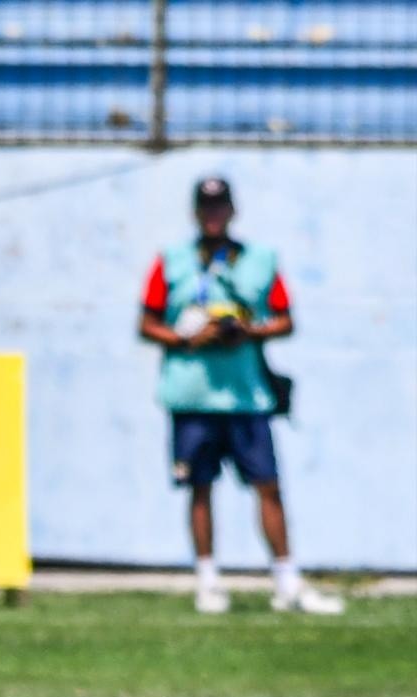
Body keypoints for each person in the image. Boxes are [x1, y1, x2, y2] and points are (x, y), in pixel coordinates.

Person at [139, 177, 343, 615]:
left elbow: (285, 320)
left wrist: (248, 331)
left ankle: (287, 582)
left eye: (220, 207)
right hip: (191, 395)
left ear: (233, 210)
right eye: (206, 207)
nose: (213, 215)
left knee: (267, 485)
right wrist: (187, 338)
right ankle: (208, 581)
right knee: (199, 487)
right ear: (195, 212)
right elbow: (147, 323)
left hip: (246, 396)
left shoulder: (260, 260)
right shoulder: (172, 261)